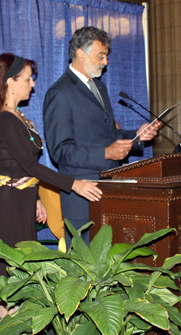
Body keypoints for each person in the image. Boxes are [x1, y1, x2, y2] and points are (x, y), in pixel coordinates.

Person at [0, 53, 102, 335]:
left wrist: (36, 200)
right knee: (7, 272)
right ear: (10, 82)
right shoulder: (5, 121)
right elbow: (31, 167)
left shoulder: (18, 117)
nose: (32, 85)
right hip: (7, 204)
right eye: (28, 78)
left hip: (21, 201)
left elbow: (25, 168)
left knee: (20, 270)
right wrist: (74, 183)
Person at [43, 26, 160, 241]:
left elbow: (108, 136)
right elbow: (60, 151)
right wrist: (105, 153)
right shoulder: (60, 93)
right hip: (81, 196)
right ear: (80, 53)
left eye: (106, 56)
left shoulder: (99, 88)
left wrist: (137, 136)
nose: (105, 62)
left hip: (109, 189)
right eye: (101, 56)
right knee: (84, 268)